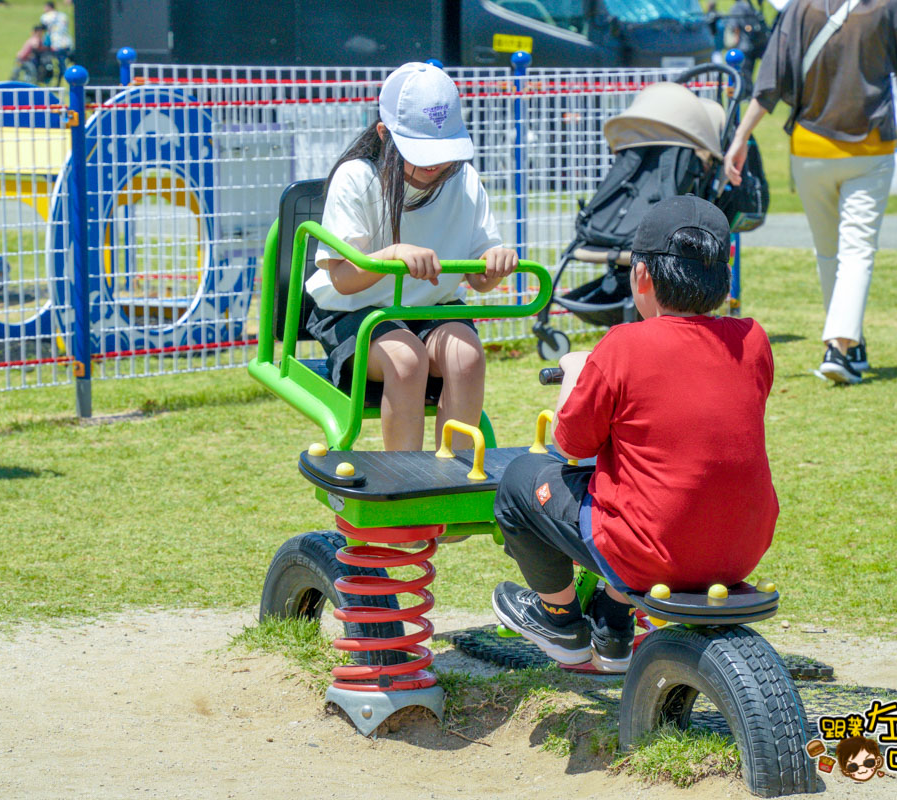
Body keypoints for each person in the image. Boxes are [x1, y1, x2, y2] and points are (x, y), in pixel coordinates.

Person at [491, 196, 779, 672]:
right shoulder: (753, 339)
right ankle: (613, 618)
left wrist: (577, 372)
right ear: (723, 273)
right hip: (741, 549)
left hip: (652, 551)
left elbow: (572, 445)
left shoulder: (623, 345)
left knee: (523, 480)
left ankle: (559, 620)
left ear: (642, 276)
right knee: (649, 487)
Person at [308, 62, 517, 452]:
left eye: (442, 150)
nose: (434, 164)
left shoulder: (464, 180)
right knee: (406, 359)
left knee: (466, 357)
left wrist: (495, 264)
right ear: (385, 135)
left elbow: (479, 277)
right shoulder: (357, 177)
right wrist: (392, 255)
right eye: (420, 152)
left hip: (431, 307)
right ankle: (407, 488)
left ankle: (451, 481)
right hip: (355, 309)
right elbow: (341, 278)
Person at [724, 0, 897, 384]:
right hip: (869, 148)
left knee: (829, 252)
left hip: (810, 149)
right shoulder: (887, 8)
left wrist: (741, 136)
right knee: (857, 250)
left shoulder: (797, 9)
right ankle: (838, 347)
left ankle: (852, 345)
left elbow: (770, 83)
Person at [40, 1, 72, 79]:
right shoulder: (63, 16)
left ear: (48, 7)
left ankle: (67, 77)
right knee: (65, 62)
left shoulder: (45, 17)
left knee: (61, 64)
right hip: (67, 42)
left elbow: (43, 29)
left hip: (57, 43)